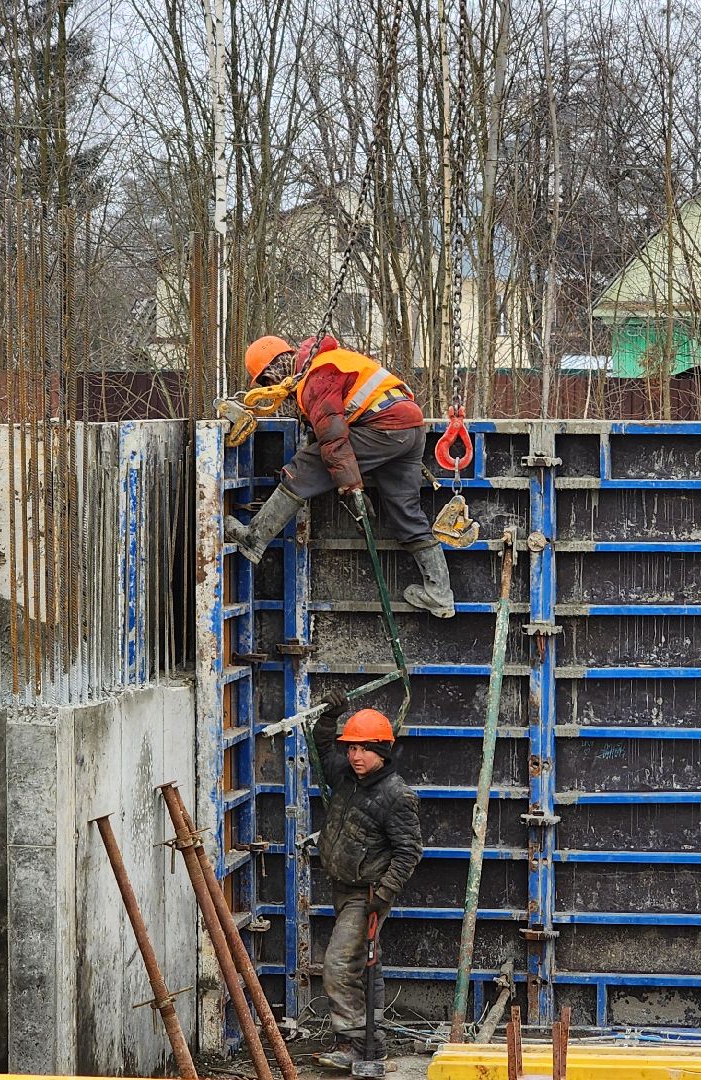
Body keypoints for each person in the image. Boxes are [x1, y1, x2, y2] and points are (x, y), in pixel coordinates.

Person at [224, 334, 455, 618]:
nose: (272, 390)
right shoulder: (332, 361)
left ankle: (254, 538)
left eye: (266, 383)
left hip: (384, 428)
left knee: (303, 468)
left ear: (274, 371)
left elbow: (333, 439)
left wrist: (350, 487)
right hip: (410, 428)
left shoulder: (317, 376)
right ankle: (440, 594)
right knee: (405, 512)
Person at [310, 694, 422, 1070]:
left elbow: (409, 852)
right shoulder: (346, 775)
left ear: (383, 752)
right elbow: (322, 747)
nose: (356, 756)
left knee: (340, 966)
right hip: (343, 887)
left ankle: (355, 1045)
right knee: (359, 964)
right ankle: (371, 1041)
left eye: (364, 749)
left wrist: (384, 894)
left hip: (368, 894)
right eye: (352, 748)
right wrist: (330, 716)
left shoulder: (396, 796)